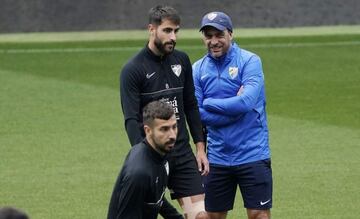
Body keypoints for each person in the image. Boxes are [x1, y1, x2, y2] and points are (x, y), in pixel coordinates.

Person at [119, 5, 209, 219]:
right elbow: (131, 119)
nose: (173, 37)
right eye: (167, 31)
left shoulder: (181, 61)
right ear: (152, 29)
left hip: (182, 155)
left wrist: (200, 147)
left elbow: (190, 105)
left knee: (200, 216)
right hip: (154, 157)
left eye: (176, 31)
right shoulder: (133, 69)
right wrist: (143, 157)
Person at [192, 12, 273, 219]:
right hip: (217, 157)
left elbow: (246, 102)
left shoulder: (250, 62)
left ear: (230, 34)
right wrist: (234, 110)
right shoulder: (197, 69)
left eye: (219, 35)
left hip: (252, 153)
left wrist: (210, 103)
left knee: (259, 216)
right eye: (208, 36)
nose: (214, 41)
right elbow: (196, 113)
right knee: (213, 216)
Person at [107, 101, 178, 219]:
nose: (172, 135)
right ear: (148, 131)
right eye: (164, 129)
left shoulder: (161, 152)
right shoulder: (139, 173)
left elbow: (155, 199)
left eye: (174, 127)